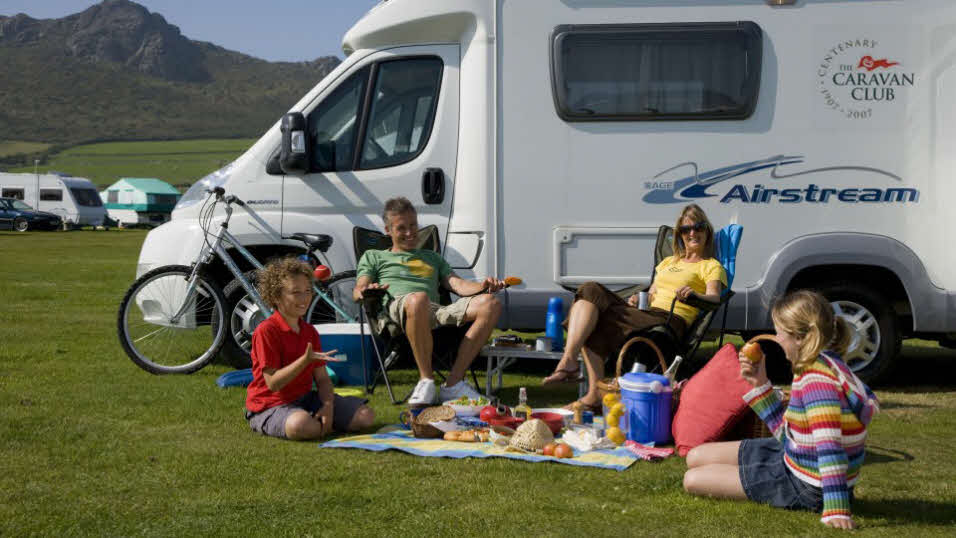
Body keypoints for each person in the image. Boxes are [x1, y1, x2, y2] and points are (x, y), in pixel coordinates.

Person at [683, 290, 879, 530]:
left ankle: (828, 500)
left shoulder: (817, 381)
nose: (777, 338)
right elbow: (790, 435)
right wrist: (760, 384)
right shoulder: (822, 362)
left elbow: (830, 448)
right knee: (696, 456)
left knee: (692, 480)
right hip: (794, 458)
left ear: (798, 337)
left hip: (808, 487)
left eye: (779, 332)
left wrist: (836, 509)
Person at [542, 204, 726, 411]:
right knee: (589, 293)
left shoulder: (710, 265)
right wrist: (638, 299)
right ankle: (586, 384)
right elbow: (654, 291)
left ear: (706, 231)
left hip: (670, 320)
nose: (692, 233)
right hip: (647, 313)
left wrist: (694, 295)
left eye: (698, 227)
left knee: (591, 294)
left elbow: (714, 298)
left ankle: (578, 376)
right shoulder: (667, 262)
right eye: (685, 229)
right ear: (679, 234)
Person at [353, 197, 506, 406]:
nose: (410, 233)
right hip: (397, 309)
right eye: (401, 228)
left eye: (413, 225)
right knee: (419, 299)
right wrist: (366, 291)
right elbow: (359, 289)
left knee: (491, 303)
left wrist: (484, 286)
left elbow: (458, 285)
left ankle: (453, 385)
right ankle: (426, 380)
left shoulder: (432, 257)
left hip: (433, 310)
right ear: (388, 230)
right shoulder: (374, 256)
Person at [245, 257, 375, 440]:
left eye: (307, 291)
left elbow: (322, 379)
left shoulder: (309, 331)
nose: (304, 298)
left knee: (366, 416)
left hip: (306, 400)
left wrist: (328, 407)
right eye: (295, 292)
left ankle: (318, 422)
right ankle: (314, 424)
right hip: (270, 405)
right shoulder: (267, 330)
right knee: (300, 425)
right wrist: (304, 361)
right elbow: (273, 383)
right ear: (276, 297)